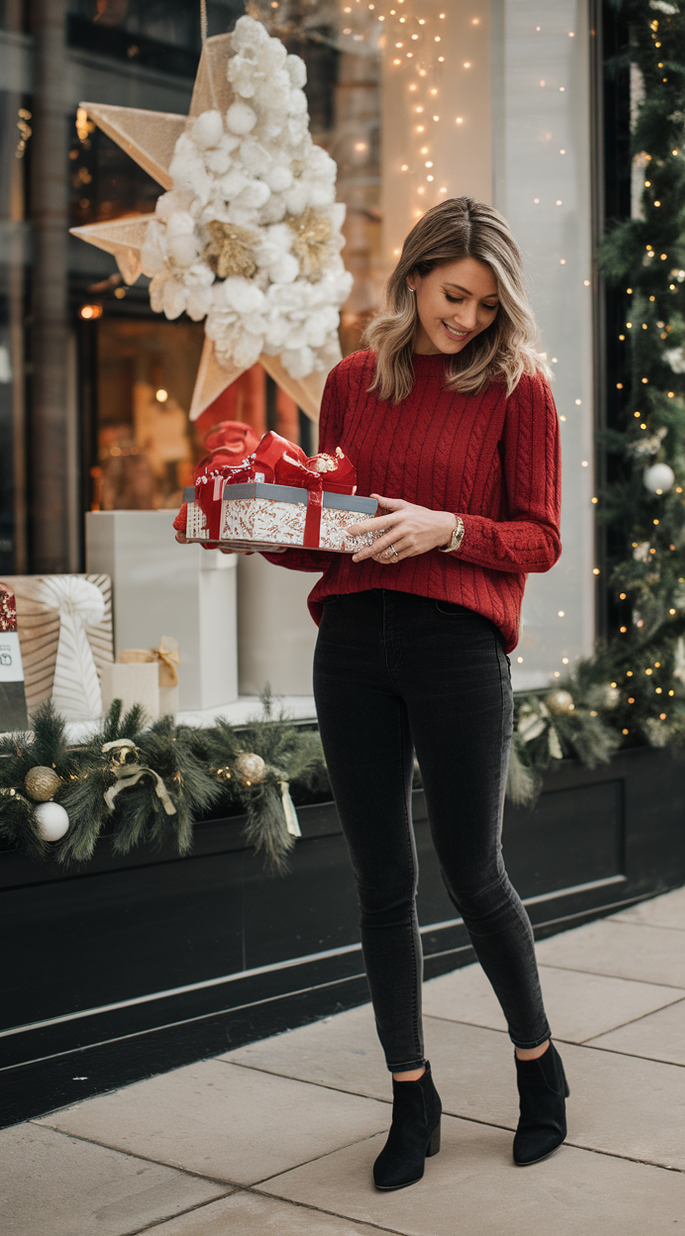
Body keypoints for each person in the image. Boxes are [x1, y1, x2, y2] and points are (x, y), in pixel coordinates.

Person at [187, 196, 567, 1189]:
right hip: (352, 642)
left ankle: (538, 1072)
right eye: (452, 296)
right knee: (380, 884)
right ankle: (412, 1097)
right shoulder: (353, 381)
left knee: (471, 870)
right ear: (412, 278)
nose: (465, 319)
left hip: (456, 647)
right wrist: (256, 523)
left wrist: (446, 528)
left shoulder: (518, 389)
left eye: (484, 304)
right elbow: (336, 528)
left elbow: (540, 538)